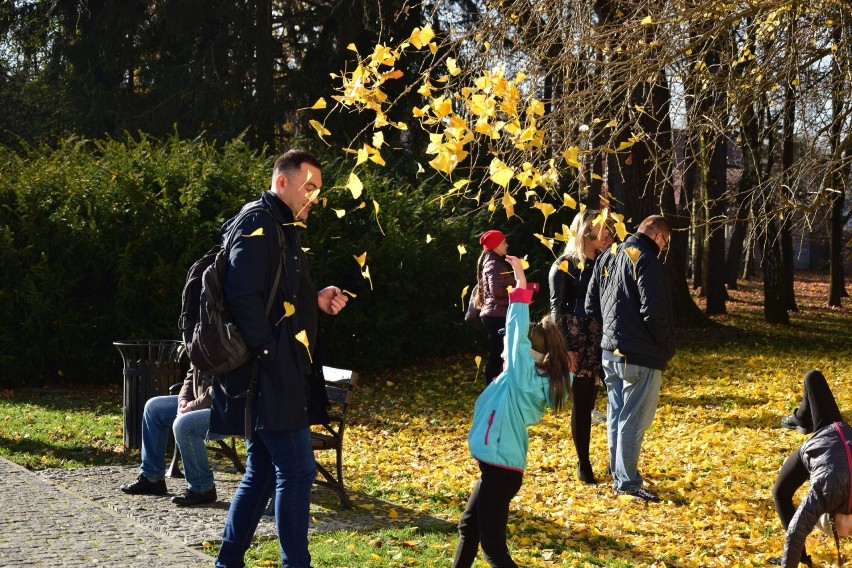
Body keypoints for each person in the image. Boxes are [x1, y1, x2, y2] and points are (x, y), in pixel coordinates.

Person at [214, 150, 349, 568]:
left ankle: (228, 562)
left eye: (318, 191)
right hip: (270, 373)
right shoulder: (259, 222)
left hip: (283, 369)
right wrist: (271, 356)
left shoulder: (284, 228)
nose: (313, 198)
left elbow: (281, 296)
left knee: (262, 474)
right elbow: (242, 295)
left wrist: (316, 296)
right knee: (297, 470)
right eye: (308, 188)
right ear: (282, 183)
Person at [453, 255, 571, 568]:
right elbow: (515, 335)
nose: (506, 344)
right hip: (498, 468)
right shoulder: (522, 377)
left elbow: (517, 331)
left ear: (526, 354)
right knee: (469, 527)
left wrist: (520, 286)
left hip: (501, 470)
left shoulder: (522, 378)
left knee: (493, 549)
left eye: (513, 344)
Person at [585, 214, 674, 503]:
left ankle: (618, 473)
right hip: (640, 354)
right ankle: (627, 483)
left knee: (617, 414)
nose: (664, 247)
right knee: (633, 419)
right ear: (658, 236)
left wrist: (611, 332)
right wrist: (666, 345)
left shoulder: (609, 254)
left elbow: (590, 305)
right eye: (666, 242)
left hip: (610, 350)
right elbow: (654, 311)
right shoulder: (645, 258)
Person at [548, 209, 614, 485]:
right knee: (583, 403)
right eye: (604, 231)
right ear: (587, 232)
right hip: (576, 339)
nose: (609, 236)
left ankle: (616, 463)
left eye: (610, 231)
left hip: (604, 337)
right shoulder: (564, 265)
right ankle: (583, 463)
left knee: (613, 402)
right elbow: (556, 310)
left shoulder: (605, 263)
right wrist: (566, 348)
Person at [771, 370, 852, 567]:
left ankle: (802, 418)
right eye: (850, 532)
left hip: (831, 441)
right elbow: (796, 532)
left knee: (780, 492)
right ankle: (802, 418)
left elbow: (797, 531)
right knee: (812, 377)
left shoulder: (823, 494)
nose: (849, 535)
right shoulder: (826, 492)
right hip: (834, 435)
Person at [119, 366, 221, 506]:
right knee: (154, 408)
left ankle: (202, 488)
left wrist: (193, 406)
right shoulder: (198, 343)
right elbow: (191, 374)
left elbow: (224, 386)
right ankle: (152, 479)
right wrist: (183, 401)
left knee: (184, 425)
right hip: (200, 403)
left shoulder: (229, 343)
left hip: (228, 408)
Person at [475, 229, 514, 386]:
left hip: (497, 313)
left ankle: (496, 385)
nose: (507, 245)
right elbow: (497, 291)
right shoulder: (494, 264)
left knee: (499, 352)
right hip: (496, 315)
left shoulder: (495, 263)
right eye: (504, 242)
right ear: (496, 245)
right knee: (498, 353)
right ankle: (492, 387)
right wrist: (516, 293)